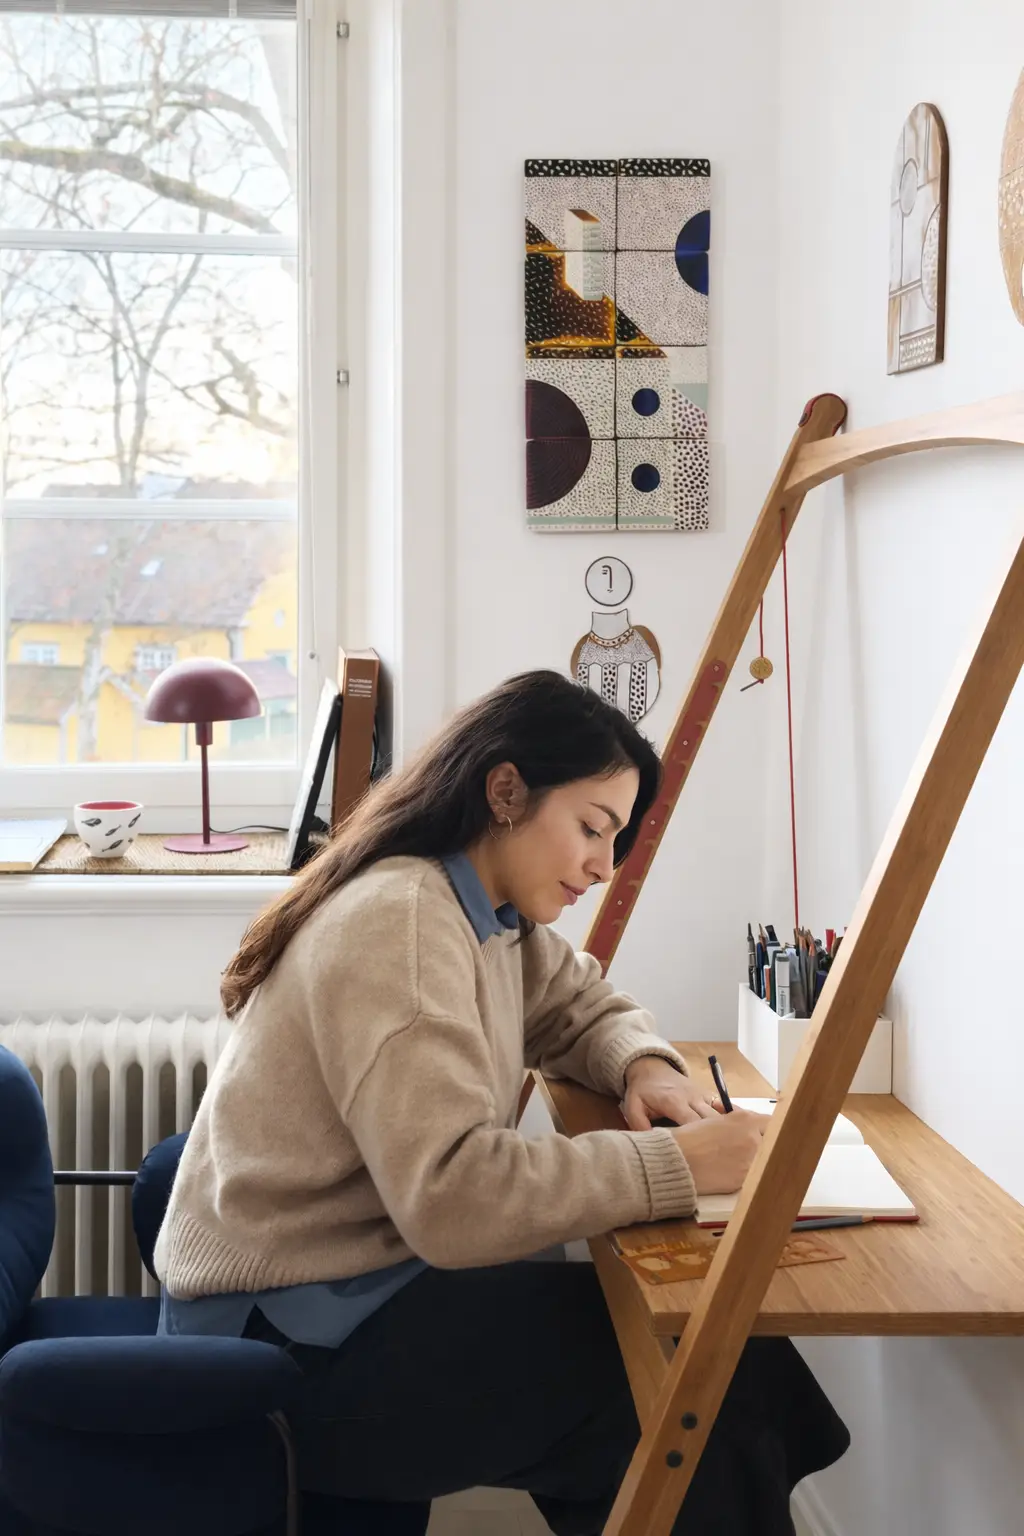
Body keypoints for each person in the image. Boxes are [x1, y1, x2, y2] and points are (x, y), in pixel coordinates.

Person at [155, 670, 849, 1535]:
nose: (603, 864)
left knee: (716, 1365)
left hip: (347, 1290)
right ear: (507, 792)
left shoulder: (483, 912)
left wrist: (646, 1068)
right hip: (291, 1346)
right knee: (703, 1385)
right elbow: (454, 1198)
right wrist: (676, 1164)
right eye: (593, 829)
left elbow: (581, 1006)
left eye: (617, 839)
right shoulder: (405, 926)